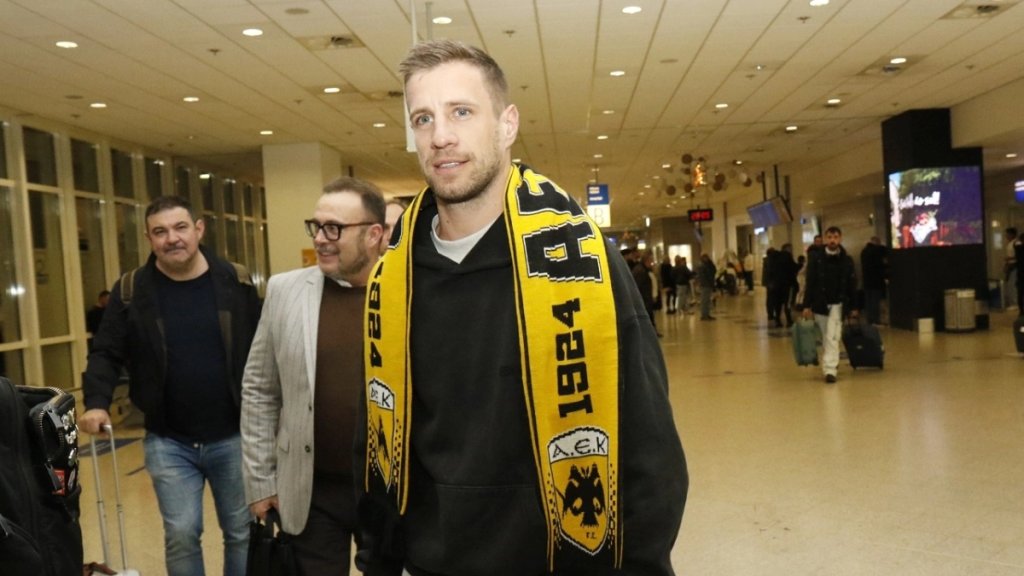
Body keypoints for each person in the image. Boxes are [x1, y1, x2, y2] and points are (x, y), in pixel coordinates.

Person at [354, 39, 687, 576]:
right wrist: (378, 558)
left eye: (462, 112)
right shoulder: (394, 278)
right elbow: (375, 434)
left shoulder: (580, 262)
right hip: (433, 560)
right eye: (423, 119)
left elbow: (648, 445)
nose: (441, 136)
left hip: (560, 559)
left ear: (507, 125)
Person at [79, 196, 261, 576]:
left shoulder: (235, 281)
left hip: (234, 436)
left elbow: (264, 348)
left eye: (180, 228)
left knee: (242, 532)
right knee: (181, 533)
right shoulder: (131, 291)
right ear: (149, 238)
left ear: (199, 229)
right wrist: (96, 402)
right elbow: (106, 352)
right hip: (169, 440)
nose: (171, 238)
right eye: (160, 232)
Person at [241, 177, 385, 575]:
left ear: (374, 234)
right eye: (316, 226)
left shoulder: (407, 291)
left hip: (386, 493)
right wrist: (260, 481)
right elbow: (259, 390)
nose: (321, 239)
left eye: (334, 228)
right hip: (311, 493)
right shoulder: (285, 291)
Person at [801, 226, 858, 384]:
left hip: (838, 303)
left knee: (833, 336)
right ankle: (830, 363)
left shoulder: (846, 260)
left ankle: (830, 369)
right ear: (826, 239)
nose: (833, 240)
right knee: (826, 336)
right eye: (830, 237)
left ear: (840, 238)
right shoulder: (816, 259)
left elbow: (851, 284)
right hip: (821, 303)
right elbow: (810, 282)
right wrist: (806, 305)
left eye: (835, 237)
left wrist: (854, 306)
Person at [860, 236, 888, 324]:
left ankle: (869, 320)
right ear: (877, 242)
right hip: (876, 280)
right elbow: (881, 265)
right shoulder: (878, 251)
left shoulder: (864, 251)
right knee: (875, 301)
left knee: (868, 301)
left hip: (866, 281)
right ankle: (876, 320)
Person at [697, 253, 717, 320]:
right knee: (704, 301)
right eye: (705, 258)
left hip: (708, 284)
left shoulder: (708, 265)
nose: (707, 259)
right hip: (705, 284)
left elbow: (714, 270)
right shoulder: (702, 266)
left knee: (708, 300)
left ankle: (707, 314)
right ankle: (704, 315)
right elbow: (706, 276)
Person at [1005, 227, 1018, 311]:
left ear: (1012, 234)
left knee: (1012, 285)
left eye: (1008, 234)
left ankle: (1015, 303)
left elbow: (1018, 256)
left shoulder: (1015, 243)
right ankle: (1013, 302)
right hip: (1010, 266)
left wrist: (1009, 258)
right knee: (1010, 284)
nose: (1006, 236)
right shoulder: (1010, 244)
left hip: (1014, 266)